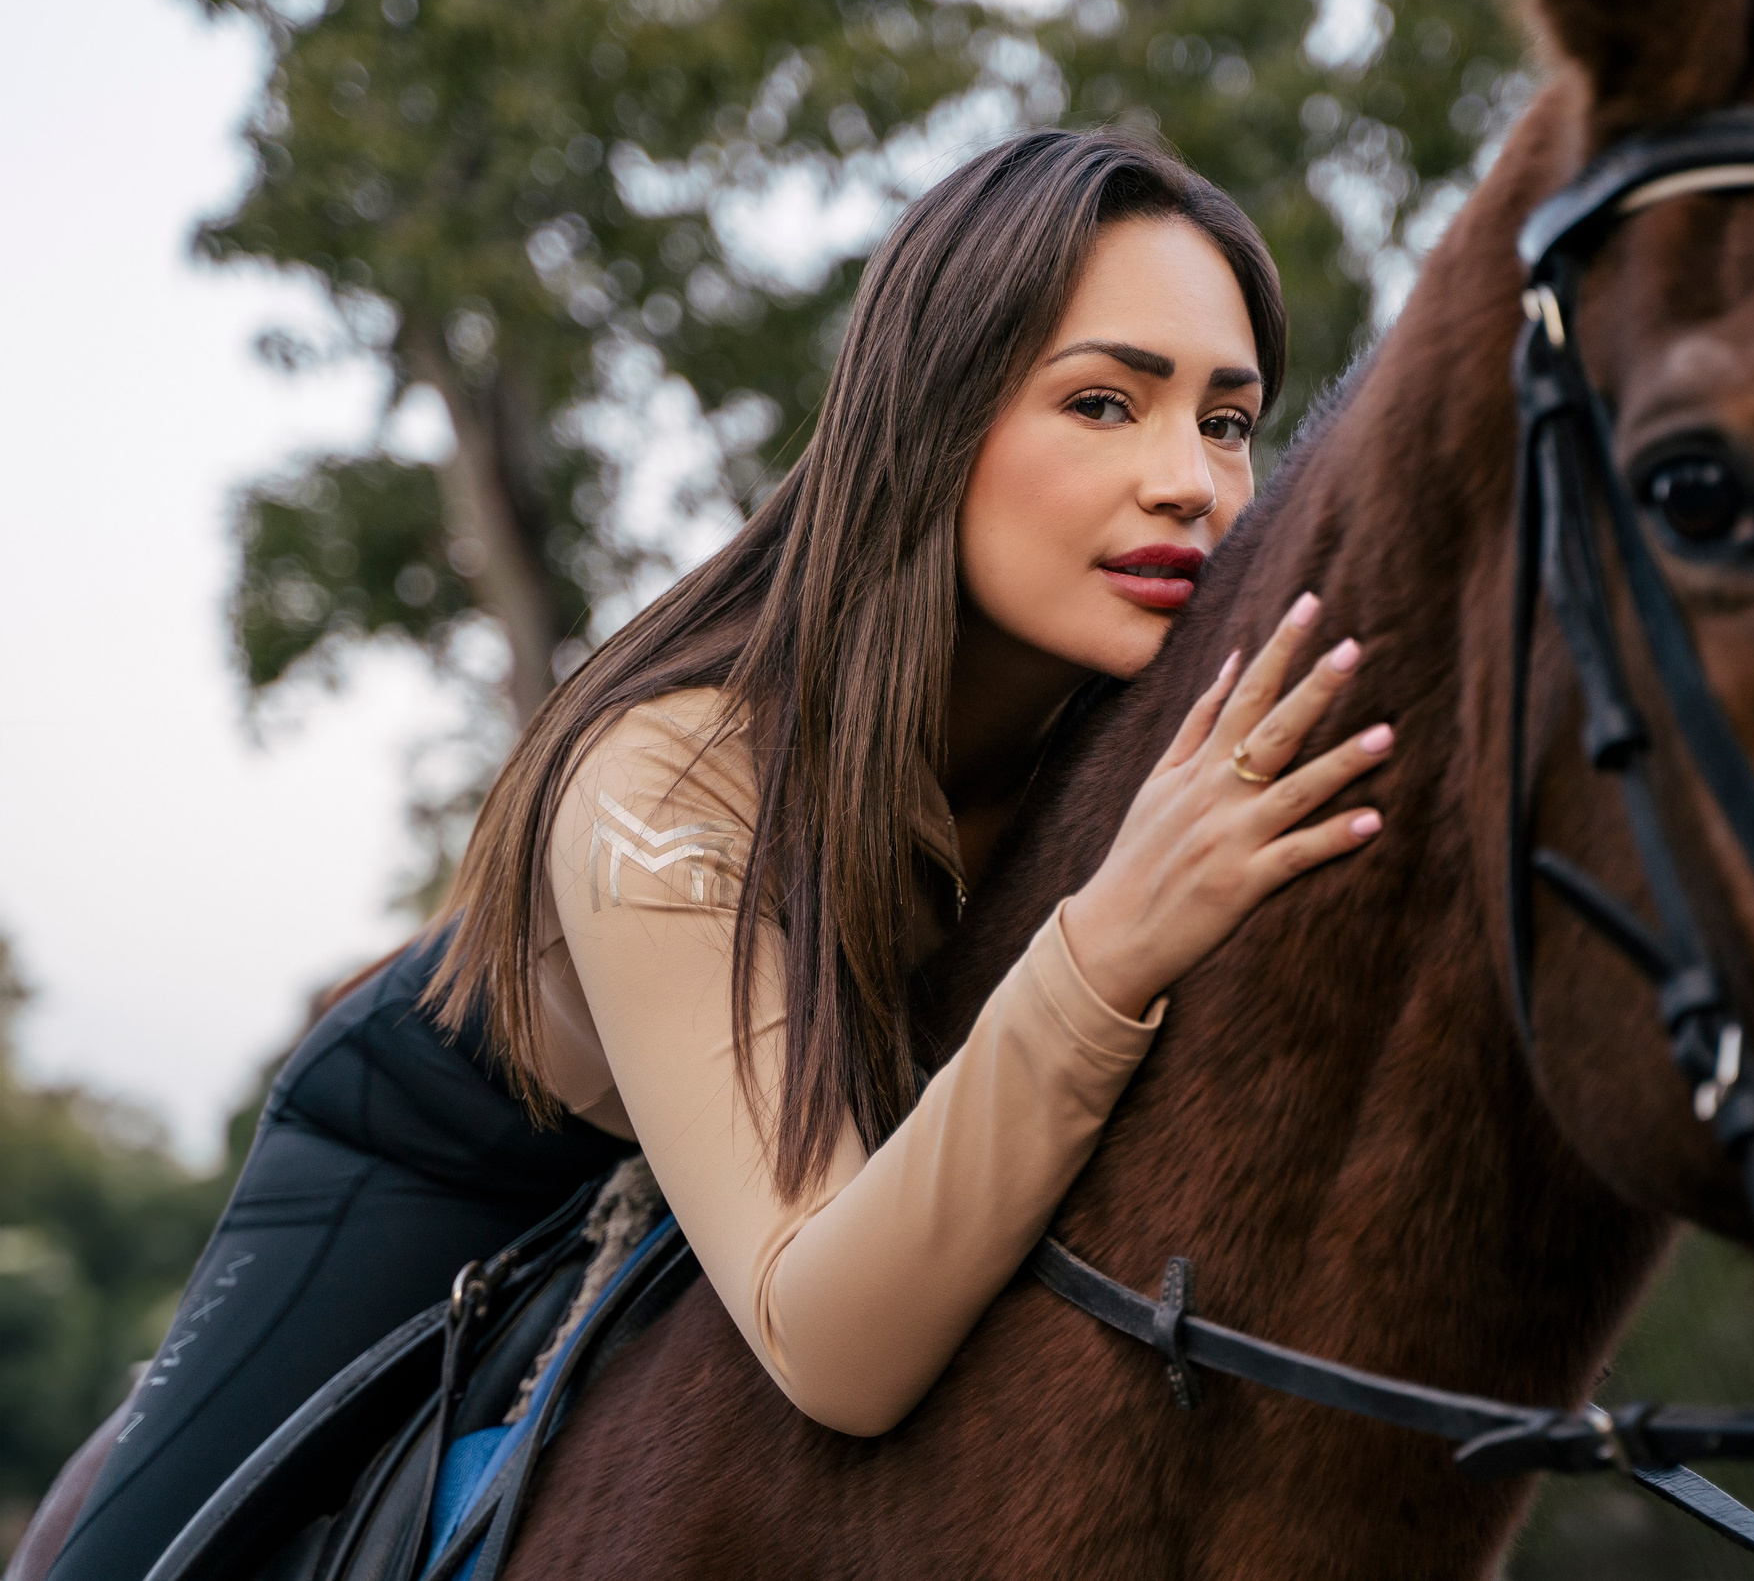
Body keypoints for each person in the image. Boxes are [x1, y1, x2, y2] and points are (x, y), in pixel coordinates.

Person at [49, 126, 1393, 1579]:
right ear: (933, 419)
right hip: (446, 1165)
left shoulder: (1141, 742)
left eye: (1229, 420)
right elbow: (832, 1347)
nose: (1190, 480)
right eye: (1102, 401)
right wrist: (1114, 941)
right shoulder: (668, 776)